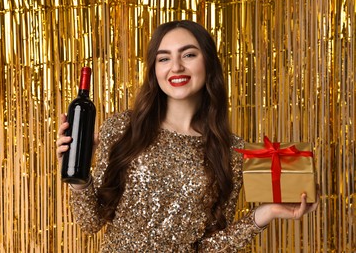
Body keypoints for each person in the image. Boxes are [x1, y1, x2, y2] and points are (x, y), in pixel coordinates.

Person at [56, 20, 319, 252]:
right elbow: (91, 222)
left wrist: (266, 213)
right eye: (164, 58)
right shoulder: (122, 127)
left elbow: (210, 246)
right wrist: (77, 176)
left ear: (208, 62)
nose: (176, 67)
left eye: (189, 54)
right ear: (154, 69)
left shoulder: (232, 151)